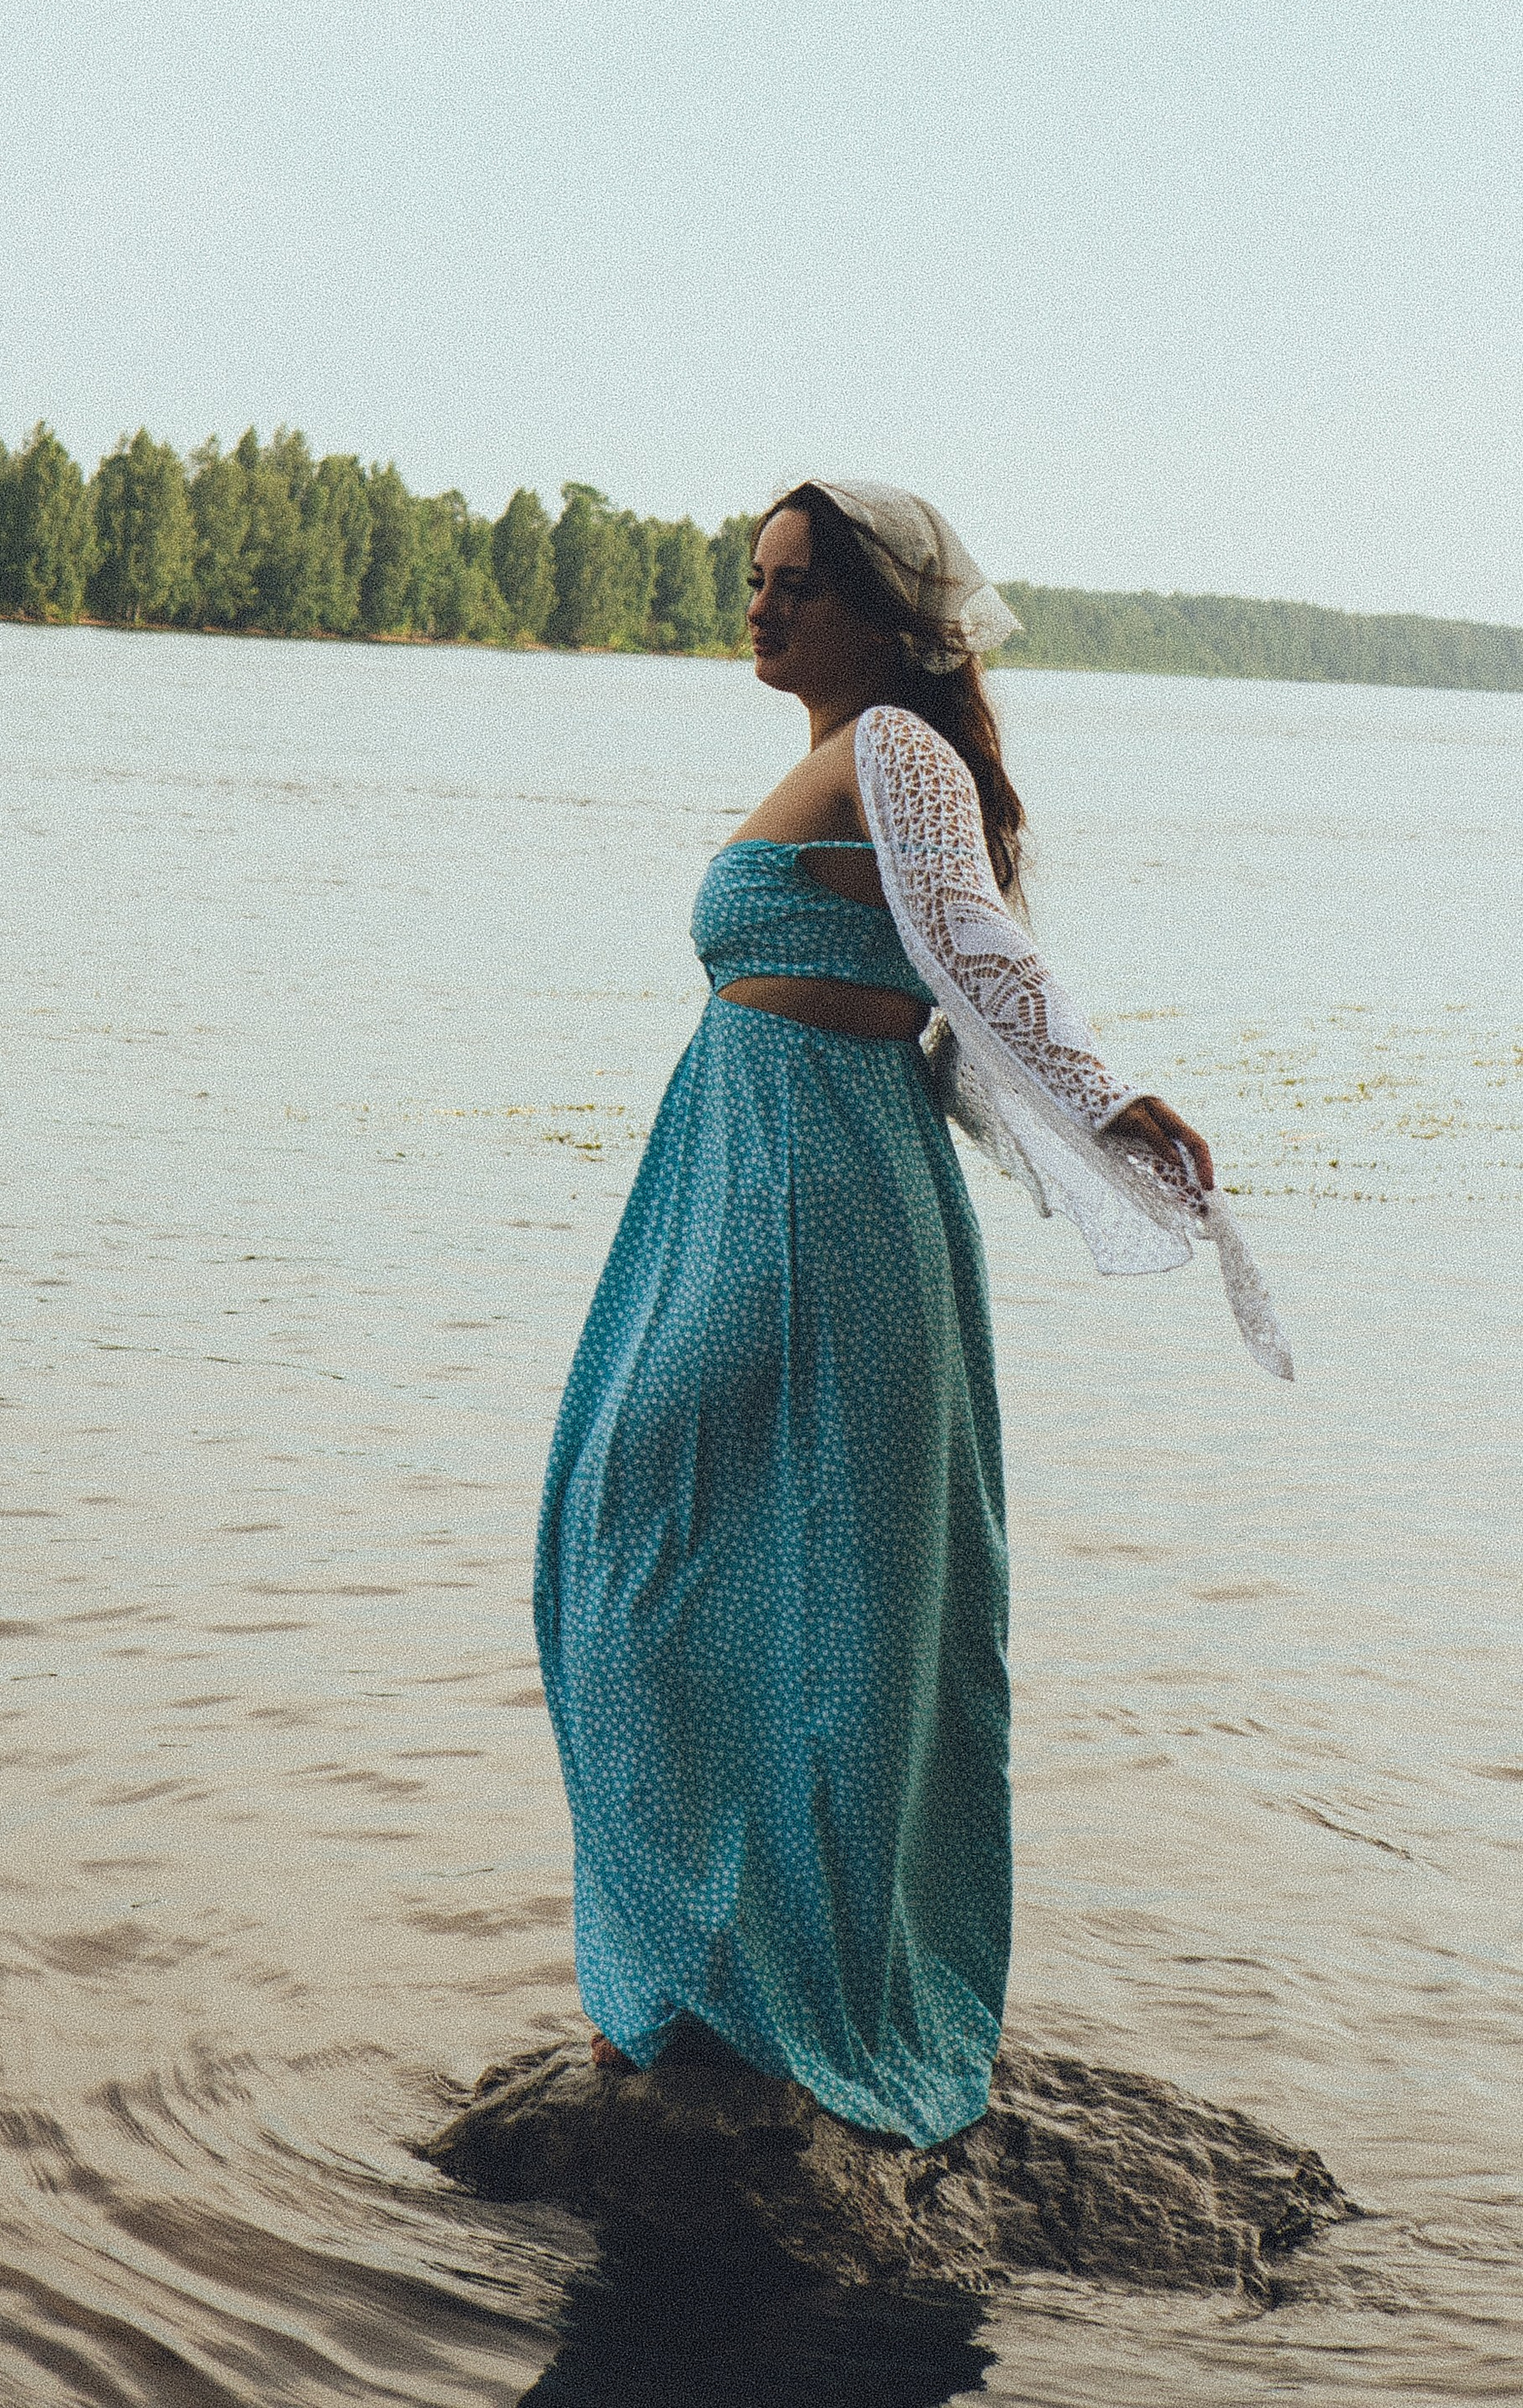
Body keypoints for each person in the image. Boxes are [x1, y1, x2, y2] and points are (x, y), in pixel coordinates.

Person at [532, 479, 1290, 2149]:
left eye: (795, 584)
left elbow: (976, 950)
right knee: (636, 1537)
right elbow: (939, 993)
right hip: (737, 1181)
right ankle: (706, 1964)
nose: (759, 607)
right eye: (754, 578)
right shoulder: (836, 756)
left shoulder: (897, 749)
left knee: (763, 1570)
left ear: (886, 618)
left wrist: (1104, 1098)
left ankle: (797, 1986)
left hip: (821, 1202)